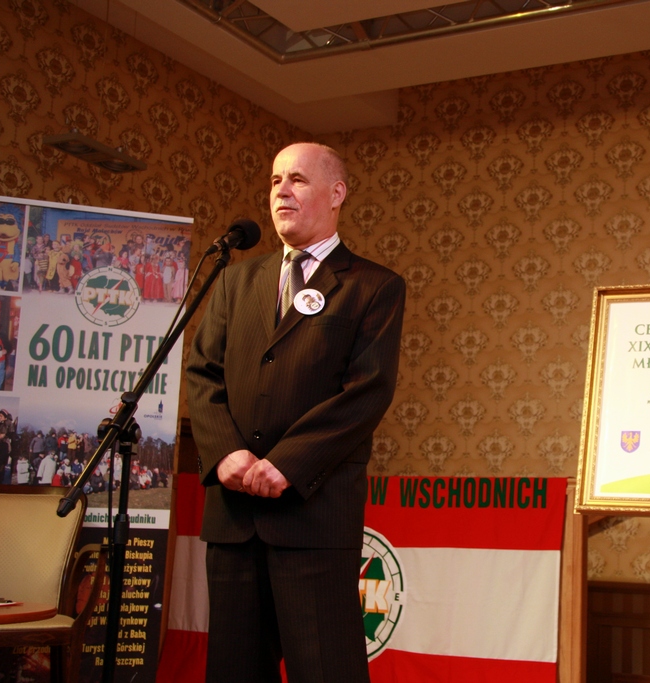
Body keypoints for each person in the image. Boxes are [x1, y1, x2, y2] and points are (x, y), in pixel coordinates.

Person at [187, 142, 405, 683]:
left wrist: (286, 463)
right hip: (235, 518)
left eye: (298, 180)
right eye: (275, 180)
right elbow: (202, 373)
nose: (281, 191)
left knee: (326, 670)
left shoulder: (374, 286)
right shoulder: (235, 281)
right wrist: (226, 454)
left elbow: (366, 391)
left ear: (337, 194)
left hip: (313, 516)